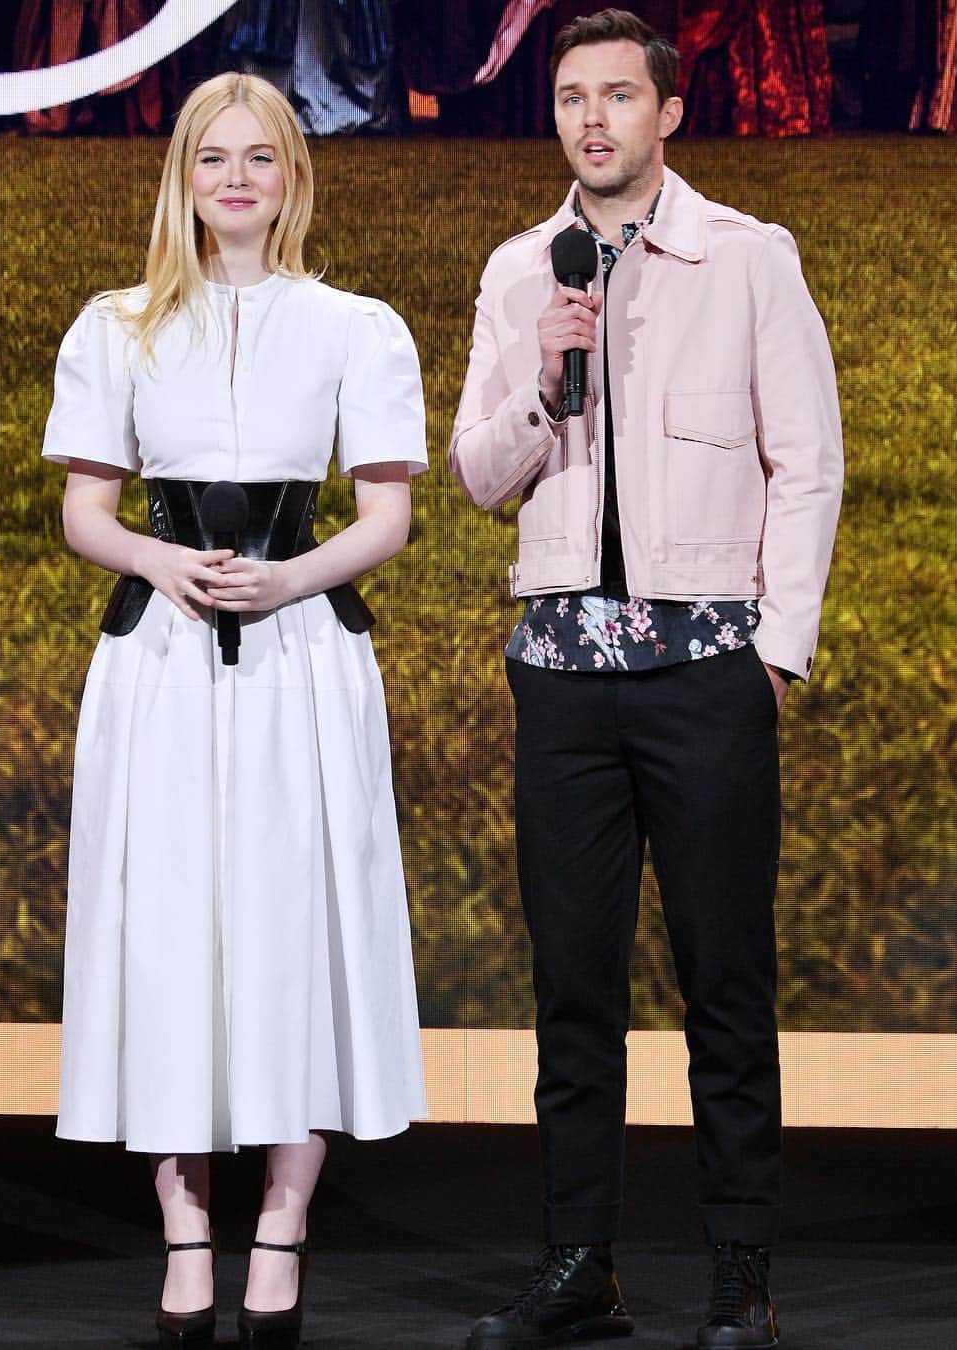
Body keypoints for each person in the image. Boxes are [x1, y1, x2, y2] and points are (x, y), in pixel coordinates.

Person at [450, 9, 842, 1349]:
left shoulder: (744, 258)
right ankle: (581, 1262)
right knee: (575, 984)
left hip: (705, 670)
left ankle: (741, 1267)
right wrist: (547, 381)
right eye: (572, 97)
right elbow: (478, 473)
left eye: (620, 95)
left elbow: (809, 463)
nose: (594, 120)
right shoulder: (521, 272)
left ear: (669, 111)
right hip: (562, 673)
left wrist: (773, 652)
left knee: (725, 975)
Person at [42, 72, 428, 1349]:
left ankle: (283, 1225)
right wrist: (162, 565)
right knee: (165, 923)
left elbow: (385, 514)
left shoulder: (354, 326)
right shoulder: (118, 324)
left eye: (261, 159)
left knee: (287, 917)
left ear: (294, 177)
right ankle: (183, 1232)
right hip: (158, 663)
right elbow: (87, 509)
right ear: (184, 178)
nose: (238, 181)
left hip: (302, 660)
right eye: (215, 160)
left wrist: (286, 577)